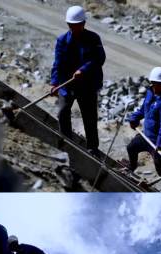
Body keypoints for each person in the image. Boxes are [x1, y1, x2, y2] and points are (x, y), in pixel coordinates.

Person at [51, 6, 105, 156]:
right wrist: (55, 83)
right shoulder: (62, 40)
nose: (74, 28)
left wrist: (84, 70)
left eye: (76, 25)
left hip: (87, 86)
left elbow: (99, 58)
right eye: (71, 25)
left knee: (89, 118)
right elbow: (58, 63)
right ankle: (66, 143)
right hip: (67, 84)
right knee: (62, 112)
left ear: (83, 24)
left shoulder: (93, 39)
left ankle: (93, 149)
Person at [125, 67, 161, 192]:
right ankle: (131, 167)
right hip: (145, 136)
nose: (155, 86)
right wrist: (134, 118)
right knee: (131, 147)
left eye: (158, 84)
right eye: (153, 83)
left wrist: (159, 144)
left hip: (157, 142)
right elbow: (144, 109)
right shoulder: (150, 93)